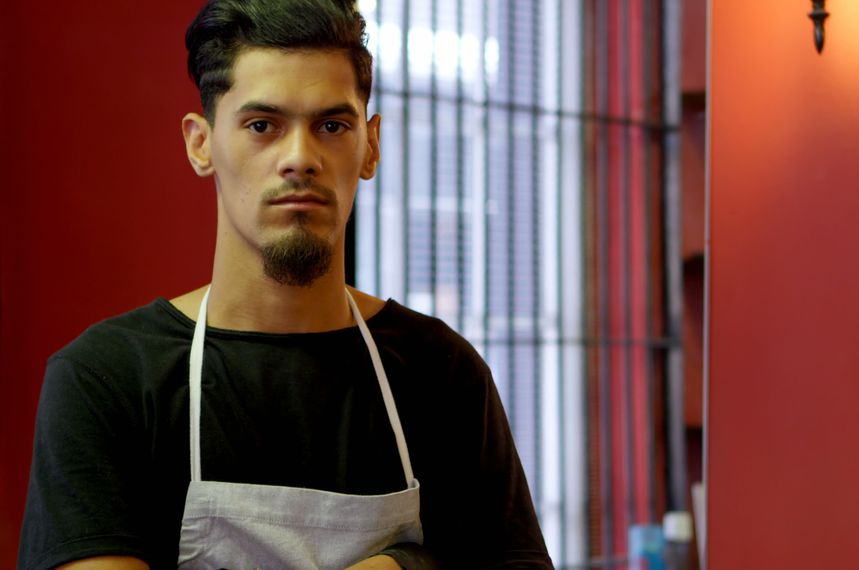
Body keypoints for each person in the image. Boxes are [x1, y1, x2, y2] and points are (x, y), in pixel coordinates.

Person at [17, 0, 552, 568]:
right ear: (201, 144)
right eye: (262, 126)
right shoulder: (109, 378)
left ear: (370, 146)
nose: (300, 158)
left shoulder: (441, 374)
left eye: (331, 125)